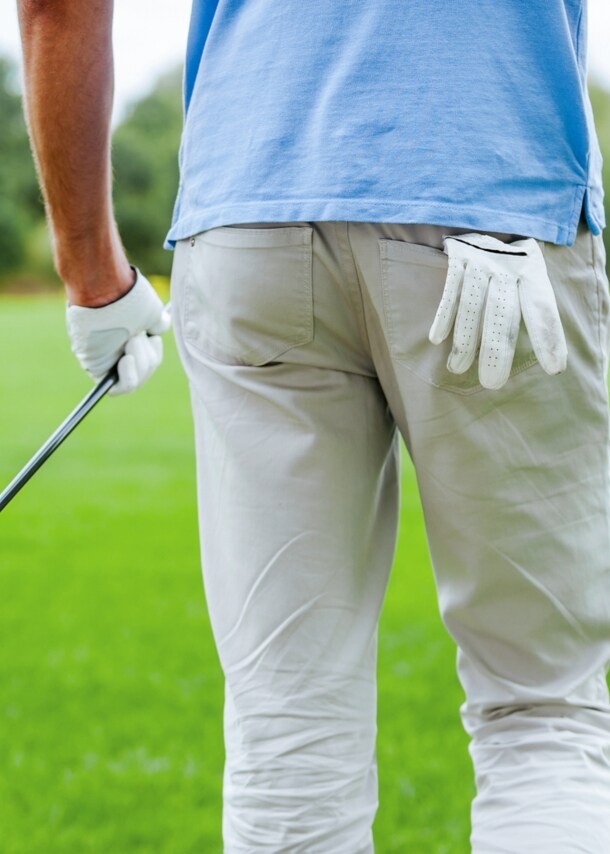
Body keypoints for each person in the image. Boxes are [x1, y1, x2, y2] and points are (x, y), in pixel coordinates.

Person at [17, 0, 610, 850]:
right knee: (541, 709)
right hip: (497, 194)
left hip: (254, 205)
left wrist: (91, 275)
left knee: (289, 736)